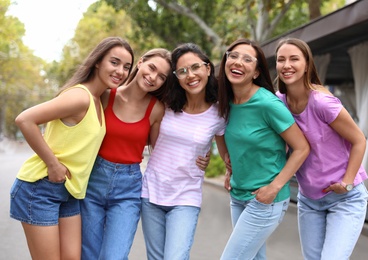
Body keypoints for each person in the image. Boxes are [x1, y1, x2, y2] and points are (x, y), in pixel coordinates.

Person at [9, 36, 134, 260]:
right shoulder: (80, 97)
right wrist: (53, 164)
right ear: (98, 62)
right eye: (114, 62)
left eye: (127, 67)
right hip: (40, 188)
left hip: (70, 192)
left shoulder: (99, 99)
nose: (121, 71)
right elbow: (24, 119)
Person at [275, 37, 368, 260]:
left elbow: (359, 140)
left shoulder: (322, 102)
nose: (286, 65)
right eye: (281, 60)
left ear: (307, 64)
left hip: (346, 198)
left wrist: (346, 183)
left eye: (294, 59)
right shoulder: (279, 103)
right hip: (309, 200)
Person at [217, 38, 310, 260]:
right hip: (238, 196)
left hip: (266, 200)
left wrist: (275, 187)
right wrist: (230, 169)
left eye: (247, 59)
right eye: (233, 56)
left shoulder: (268, 104)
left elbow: (301, 148)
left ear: (256, 72)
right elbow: (226, 136)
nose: (238, 62)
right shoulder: (226, 102)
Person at [80, 48, 173, 260]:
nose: (153, 78)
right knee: (88, 254)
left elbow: (161, 151)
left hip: (128, 190)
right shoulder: (105, 97)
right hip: (92, 182)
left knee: (114, 256)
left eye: (161, 77)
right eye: (151, 68)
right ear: (140, 63)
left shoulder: (157, 109)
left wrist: (198, 157)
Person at [140, 43, 228, 260]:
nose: (190, 75)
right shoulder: (165, 104)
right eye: (182, 71)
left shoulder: (219, 113)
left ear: (208, 68)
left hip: (186, 196)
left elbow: (227, 154)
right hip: (151, 193)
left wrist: (224, 167)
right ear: (176, 77)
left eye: (195, 67)